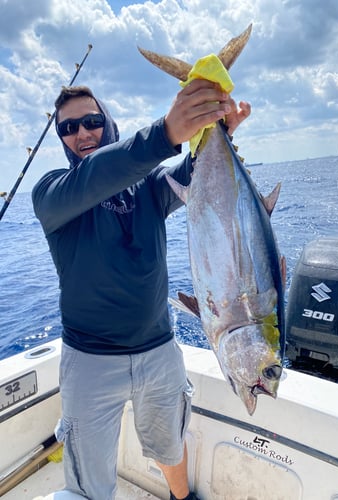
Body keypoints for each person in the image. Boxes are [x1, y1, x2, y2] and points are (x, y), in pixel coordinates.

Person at [32, 80, 250, 500]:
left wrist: (216, 129)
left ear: (108, 123)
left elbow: (192, 174)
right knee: (89, 481)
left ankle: (180, 498)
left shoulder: (150, 185)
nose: (82, 134)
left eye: (92, 122)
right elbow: (100, 175)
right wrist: (166, 133)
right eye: (69, 128)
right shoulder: (53, 194)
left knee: (170, 443)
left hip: (159, 350)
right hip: (90, 360)